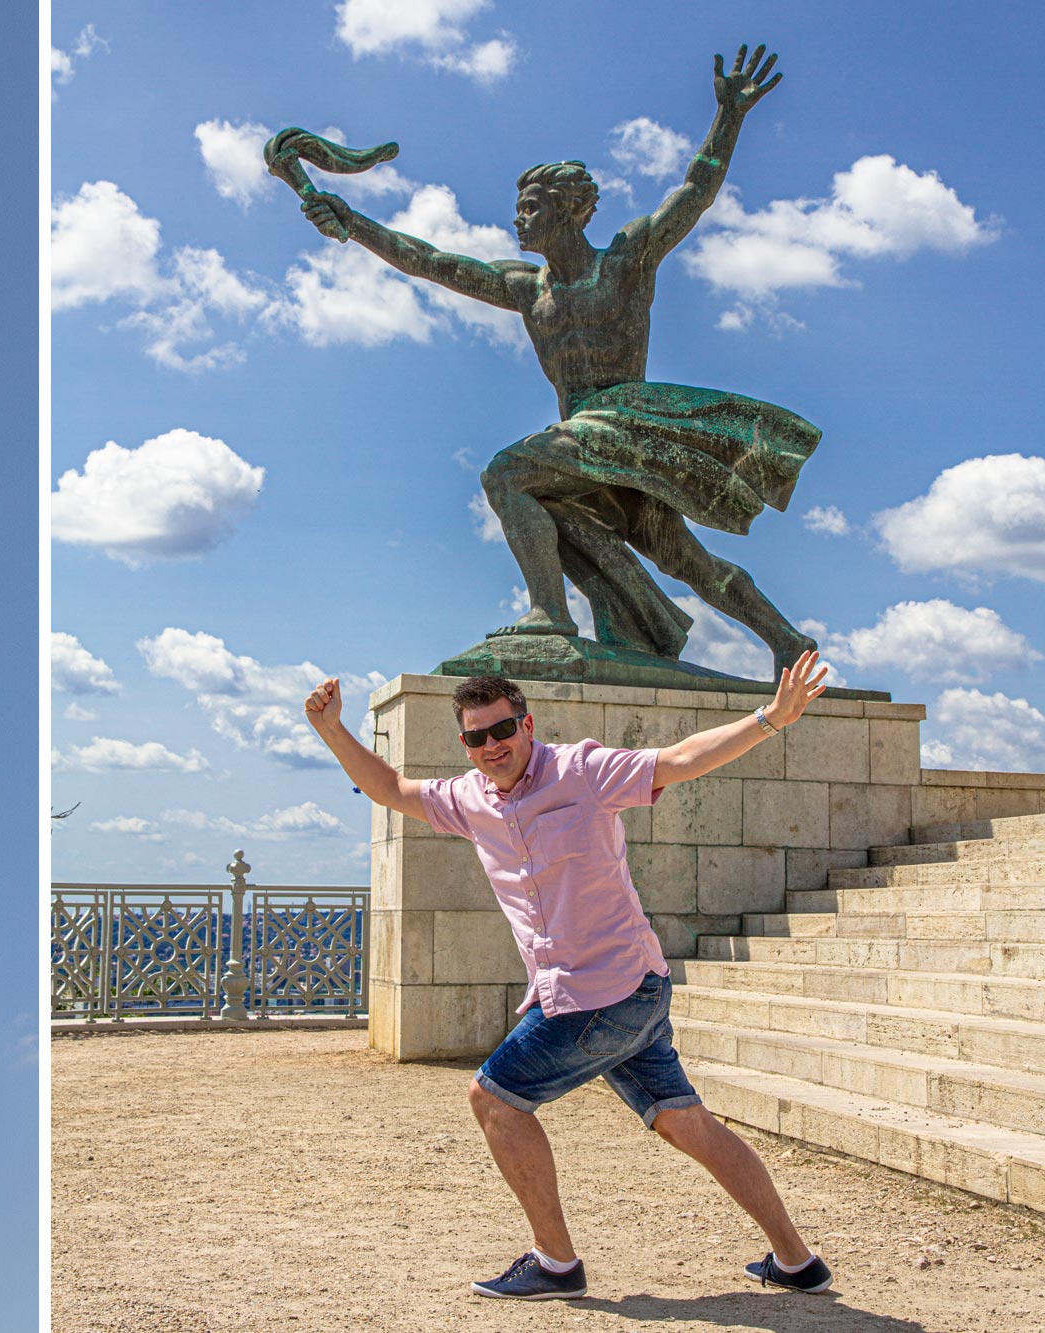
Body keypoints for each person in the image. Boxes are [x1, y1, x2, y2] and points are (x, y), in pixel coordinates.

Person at [303, 652, 834, 1299]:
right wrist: (333, 730)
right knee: (684, 1122)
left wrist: (769, 719)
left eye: (504, 729)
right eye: (477, 736)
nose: (493, 745)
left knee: (494, 1098)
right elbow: (392, 790)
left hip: (604, 991)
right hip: (623, 991)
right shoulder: (469, 800)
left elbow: (680, 759)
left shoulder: (581, 770)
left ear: (527, 725)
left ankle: (556, 1262)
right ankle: (796, 1259)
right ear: (465, 744)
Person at [298, 46, 818, 670]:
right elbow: (432, 261)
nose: (518, 221)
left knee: (506, 473)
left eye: (532, 208)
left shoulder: (624, 263)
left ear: (571, 209)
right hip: (589, 447)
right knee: (682, 557)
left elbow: (695, 191)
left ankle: (550, 615)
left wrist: (728, 117)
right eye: (519, 210)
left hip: (621, 425)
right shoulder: (526, 287)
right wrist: (353, 222)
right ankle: (787, 641)